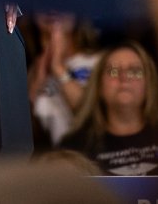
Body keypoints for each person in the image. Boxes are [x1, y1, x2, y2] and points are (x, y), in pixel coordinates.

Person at [57, 41, 158, 175]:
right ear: (98, 86)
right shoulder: (75, 147)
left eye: (135, 71)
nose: (124, 77)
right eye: (113, 71)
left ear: (149, 84)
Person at [25, 12, 102, 147]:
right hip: (53, 163)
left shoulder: (102, 62)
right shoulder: (30, 71)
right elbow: (21, 133)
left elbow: (96, 116)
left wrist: (58, 68)